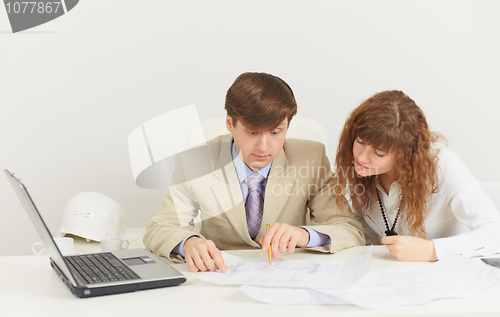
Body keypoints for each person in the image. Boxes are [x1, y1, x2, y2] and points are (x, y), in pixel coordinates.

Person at [144, 72, 364, 272]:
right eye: (252, 132)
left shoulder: (311, 158)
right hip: (219, 276)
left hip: (287, 275)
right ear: (230, 122)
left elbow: (349, 229)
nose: (264, 147)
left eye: (276, 132)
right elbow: (159, 227)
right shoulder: (195, 162)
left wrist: (305, 235)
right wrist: (188, 242)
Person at [334, 90, 500, 262]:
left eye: (378, 153)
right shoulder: (362, 171)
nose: (361, 157)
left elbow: (496, 231)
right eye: (360, 142)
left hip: (443, 274)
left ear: (405, 154)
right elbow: (366, 227)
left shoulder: (443, 166)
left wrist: (433, 250)